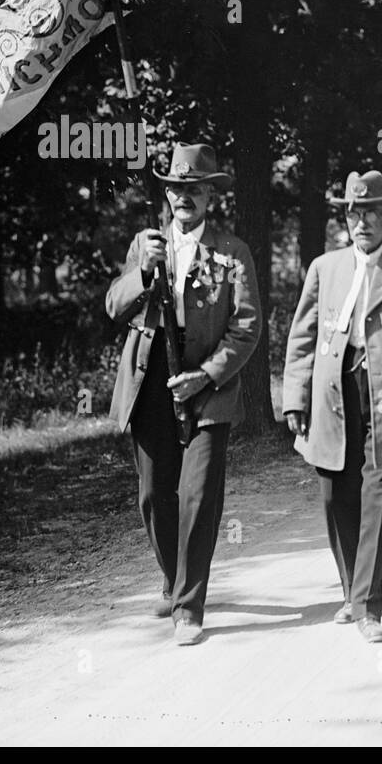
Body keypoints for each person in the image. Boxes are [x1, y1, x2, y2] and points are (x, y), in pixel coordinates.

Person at [106, 143, 262, 646]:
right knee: (155, 495)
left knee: (197, 495)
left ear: (209, 195)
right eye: (176, 188)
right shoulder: (145, 244)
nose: (183, 197)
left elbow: (247, 325)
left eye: (194, 189)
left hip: (208, 388)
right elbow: (115, 307)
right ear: (167, 194)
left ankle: (189, 607)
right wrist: (144, 272)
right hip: (151, 381)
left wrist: (209, 375)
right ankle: (174, 581)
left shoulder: (233, 251)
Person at [283, 170, 382, 644]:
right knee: (337, 492)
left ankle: (367, 606)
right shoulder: (325, 268)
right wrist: (294, 396)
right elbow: (302, 339)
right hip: (334, 395)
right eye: (355, 212)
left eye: (372, 211)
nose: (363, 221)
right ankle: (354, 590)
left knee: (380, 494)